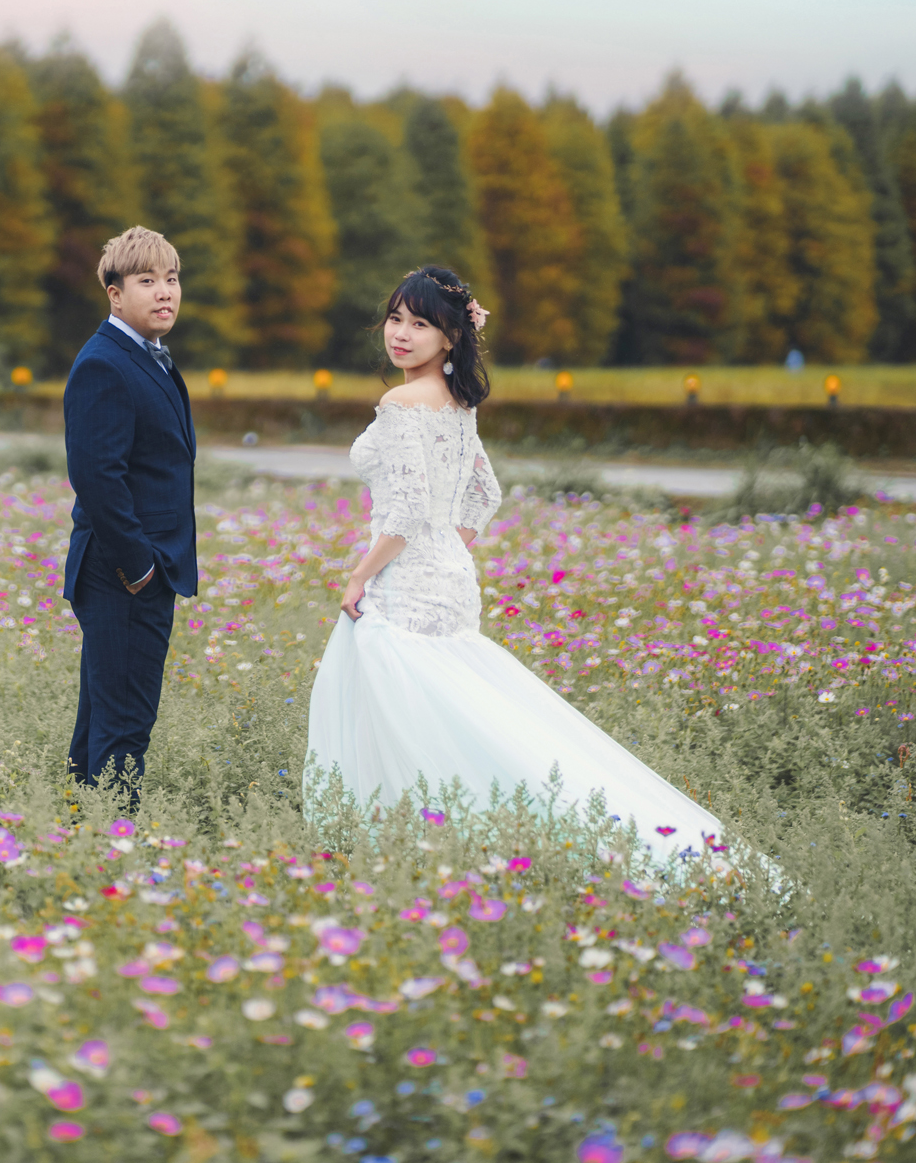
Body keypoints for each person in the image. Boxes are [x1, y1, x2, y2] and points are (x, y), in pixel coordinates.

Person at [306, 267, 724, 864]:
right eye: (396, 319)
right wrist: (447, 550)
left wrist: (358, 576)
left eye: (420, 324)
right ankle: (437, 841)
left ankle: (414, 845)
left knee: (410, 717)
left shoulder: (401, 401)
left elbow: (404, 512)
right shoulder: (456, 402)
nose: (401, 334)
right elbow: (482, 495)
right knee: (448, 715)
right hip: (448, 580)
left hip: (406, 586)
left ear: (451, 337)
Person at [62, 227, 197, 801]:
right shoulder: (106, 364)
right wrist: (139, 568)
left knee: (102, 723)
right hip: (123, 573)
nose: (165, 292)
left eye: (171, 279)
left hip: (139, 568)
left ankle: (77, 839)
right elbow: (97, 479)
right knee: (124, 730)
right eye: (147, 281)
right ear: (115, 294)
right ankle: (110, 852)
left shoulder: (148, 357)